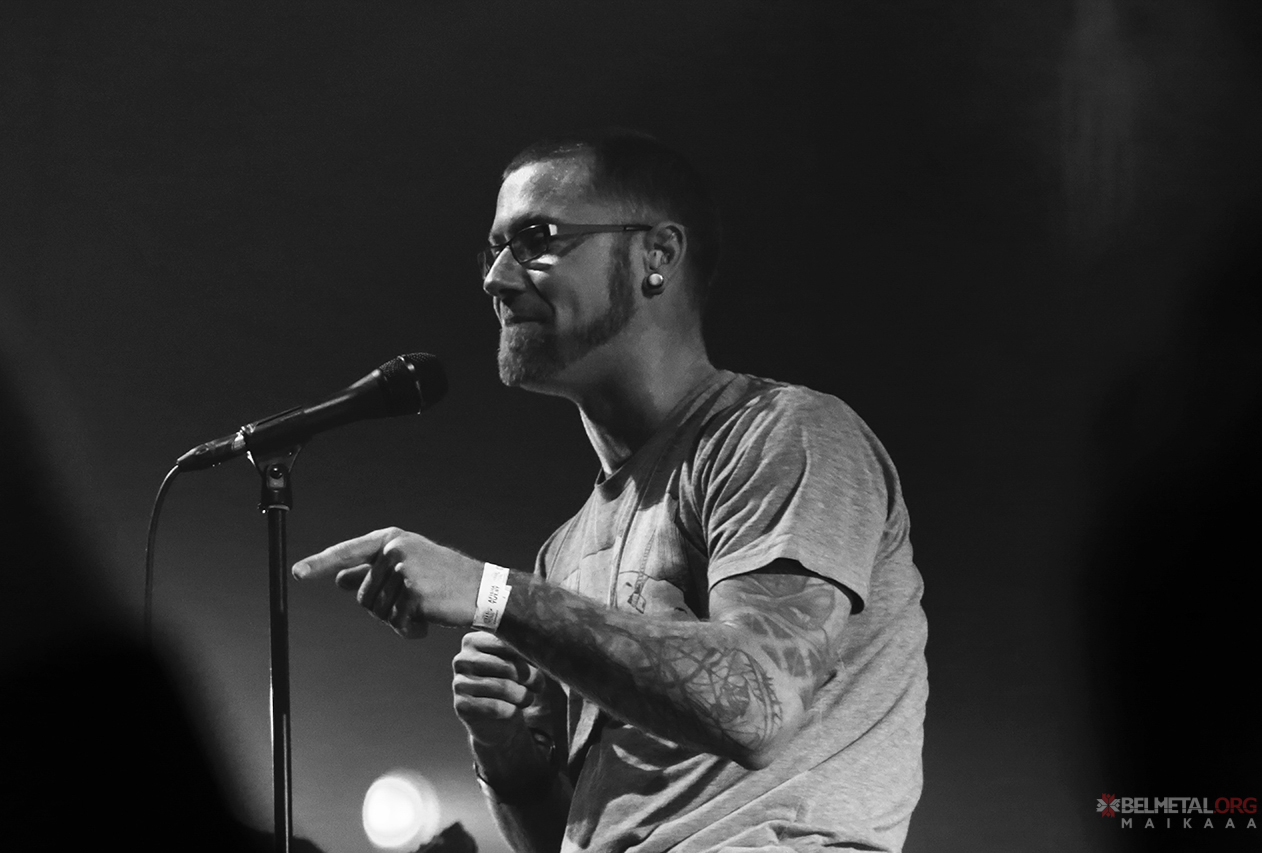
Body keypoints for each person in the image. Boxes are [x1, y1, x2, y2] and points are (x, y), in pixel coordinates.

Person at [293, 129, 928, 853]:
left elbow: (756, 704)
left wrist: (491, 592)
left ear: (657, 255)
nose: (496, 278)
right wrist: (511, 761)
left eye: (536, 239)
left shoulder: (785, 434)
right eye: (493, 249)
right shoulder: (565, 551)